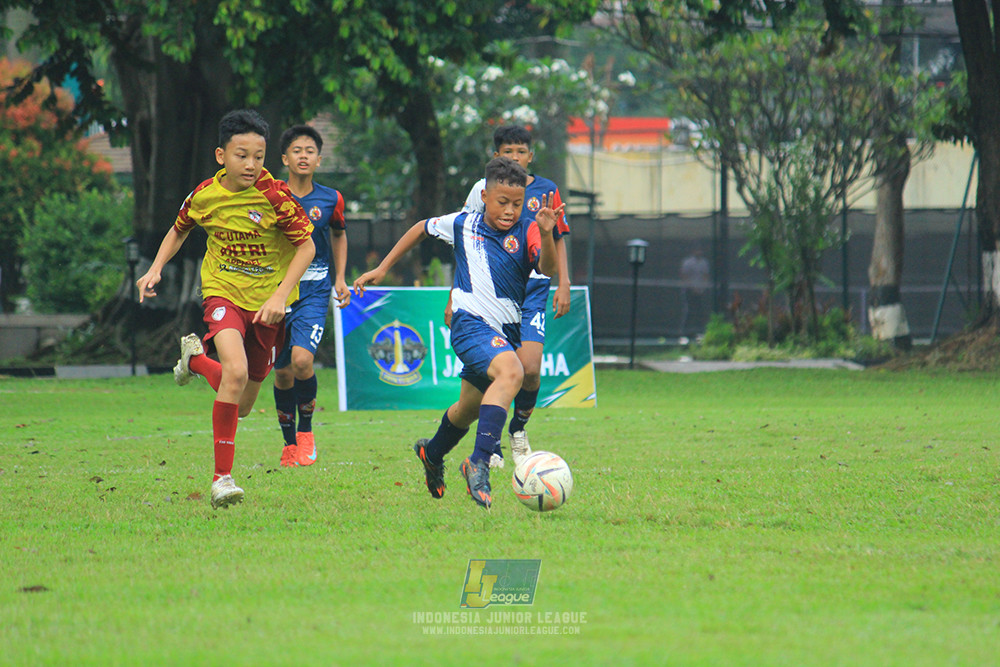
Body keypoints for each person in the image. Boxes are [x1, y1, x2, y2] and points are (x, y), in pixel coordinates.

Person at [353, 157, 562, 509]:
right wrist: (383, 267)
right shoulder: (463, 224)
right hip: (469, 325)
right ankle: (478, 462)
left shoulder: (527, 229)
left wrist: (545, 231)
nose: (510, 210)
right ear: (484, 194)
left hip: (504, 331)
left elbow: (547, 268)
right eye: (502, 203)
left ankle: (432, 453)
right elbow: (421, 227)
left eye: (517, 203)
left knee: (469, 408)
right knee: (513, 371)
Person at [136, 109, 316, 509]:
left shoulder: (276, 197)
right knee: (234, 372)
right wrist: (155, 269)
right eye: (241, 155)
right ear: (221, 155)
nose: (251, 164)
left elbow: (307, 247)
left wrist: (278, 296)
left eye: (258, 155)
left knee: (245, 403)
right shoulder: (204, 195)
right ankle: (222, 480)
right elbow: (179, 228)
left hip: (268, 306)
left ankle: (196, 360)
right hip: (223, 293)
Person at [456, 125, 571, 468]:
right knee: (495, 380)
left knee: (530, 368)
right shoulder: (484, 191)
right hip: (491, 296)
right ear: (496, 157)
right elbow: (466, 242)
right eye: (508, 152)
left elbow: (558, 240)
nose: (515, 158)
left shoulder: (546, 191)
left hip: (533, 291)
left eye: (521, 152)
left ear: (530, 156)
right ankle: (487, 447)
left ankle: (518, 431)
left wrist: (563, 283)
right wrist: (454, 295)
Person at [272, 124, 350, 468]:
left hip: (315, 291)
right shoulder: (270, 195)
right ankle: (289, 445)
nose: (303, 156)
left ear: (318, 159)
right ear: (285, 158)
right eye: (296, 150)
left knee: (303, 361)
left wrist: (341, 278)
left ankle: (306, 432)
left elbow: (338, 234)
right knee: (282, 372)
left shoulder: (331, 198)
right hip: (275, 292)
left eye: (310, 151)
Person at [679, 247, 710, 338]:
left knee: (699, 311)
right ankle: (684, 333)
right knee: (689, 310)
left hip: (700, 291)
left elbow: (705, 276)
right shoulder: (688, 262)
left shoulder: (704, 262)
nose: (699, 252)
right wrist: (693, 288)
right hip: (689, 291)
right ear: (693, 251)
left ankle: (699, 332)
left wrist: (702, 288)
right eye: (697, 250)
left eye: (700, 250)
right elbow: (684, 276)